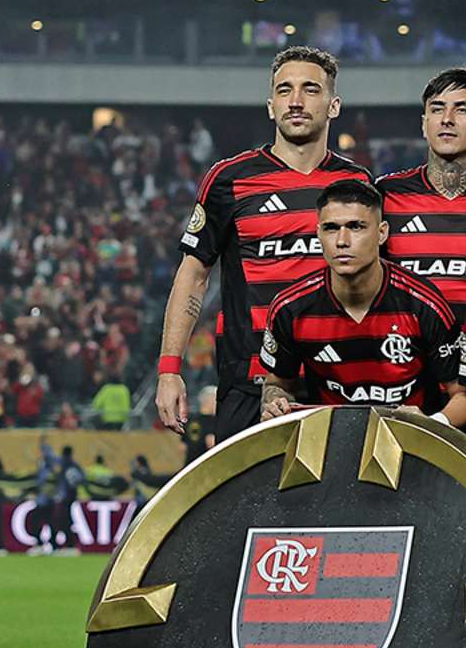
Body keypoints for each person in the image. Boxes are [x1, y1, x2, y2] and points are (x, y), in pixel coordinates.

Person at [156, 46, 371, 444]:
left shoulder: (356, 184)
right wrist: (170, 369)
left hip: (335, 382)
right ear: (271, 105)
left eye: (310, 89)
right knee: (245, 507)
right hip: (248, 385)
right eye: (284, 90)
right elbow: (194, 274)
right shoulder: (229, 179)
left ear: (333, 105)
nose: (295, 100)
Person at [257, 180, 465, 423]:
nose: (342, 241)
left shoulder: (423, 304)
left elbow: (463, 395)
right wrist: (275, 403)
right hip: (328, 444)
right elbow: (277, 384)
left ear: (382, 233)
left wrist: (431, 423)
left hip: (411, 446)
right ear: (318, 234)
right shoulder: (290, 308)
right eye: (331, 228)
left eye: (356, 227)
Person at [376, 69, 466, 329]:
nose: (447, 120)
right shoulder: (386, 194)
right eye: (437, 109)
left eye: (462, 110)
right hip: (406, 359)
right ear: (424, 123)